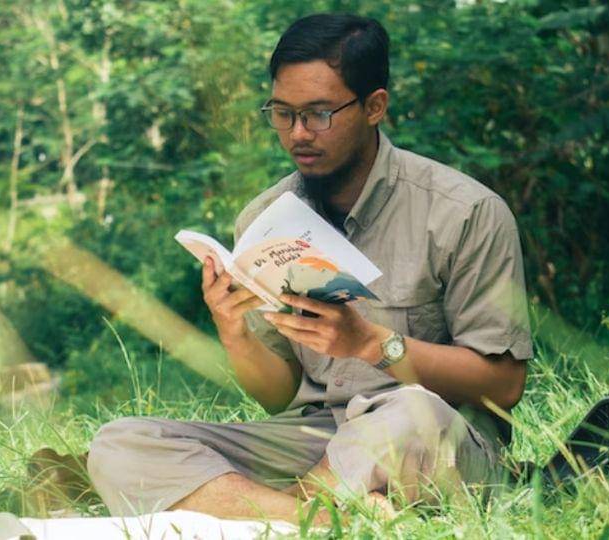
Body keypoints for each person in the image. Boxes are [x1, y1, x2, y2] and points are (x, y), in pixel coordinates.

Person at [87, 13, 533, 523]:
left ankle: (275, 512)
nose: (298, 133)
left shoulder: (465, 213)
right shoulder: (265, 219)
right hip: (317, 439)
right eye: (283, 113)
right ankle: (325, 518)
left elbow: (504, 386)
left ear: (374, 107)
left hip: (434, 437)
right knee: (121, 444)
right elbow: (281, 397)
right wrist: (234, 332)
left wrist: (372, 344)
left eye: (319, 114)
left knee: (411, 412)